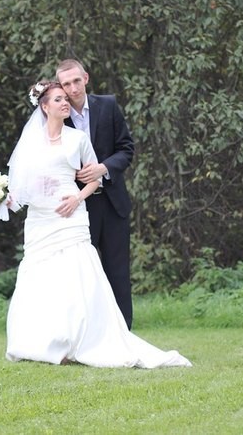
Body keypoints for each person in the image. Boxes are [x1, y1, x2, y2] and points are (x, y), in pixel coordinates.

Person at [0, 81, 190, 368]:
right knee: (41, 278)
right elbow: (24, 186)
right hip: (40, 219)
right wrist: (7, 198)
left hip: (70, 216)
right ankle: (43, 342)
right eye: (58, 99)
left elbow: (95, 179)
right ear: (44, 107)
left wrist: (77, 198)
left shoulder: (77, 139)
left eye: (66, 99)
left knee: (76, 277)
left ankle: (79, 340)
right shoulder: (30, 143)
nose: (65, 103)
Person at [56, 59, 135, 329]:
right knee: (83, 275)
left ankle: (124, 332)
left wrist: (104, 167)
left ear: (86, 78)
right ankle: (88, 332)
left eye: (76, 81)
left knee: (118, 272)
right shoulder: (57, 116)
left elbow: (126, 149)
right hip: (78, 208)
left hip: (113, 204)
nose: (73, 88)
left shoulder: (108, 105)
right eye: (66, 84)